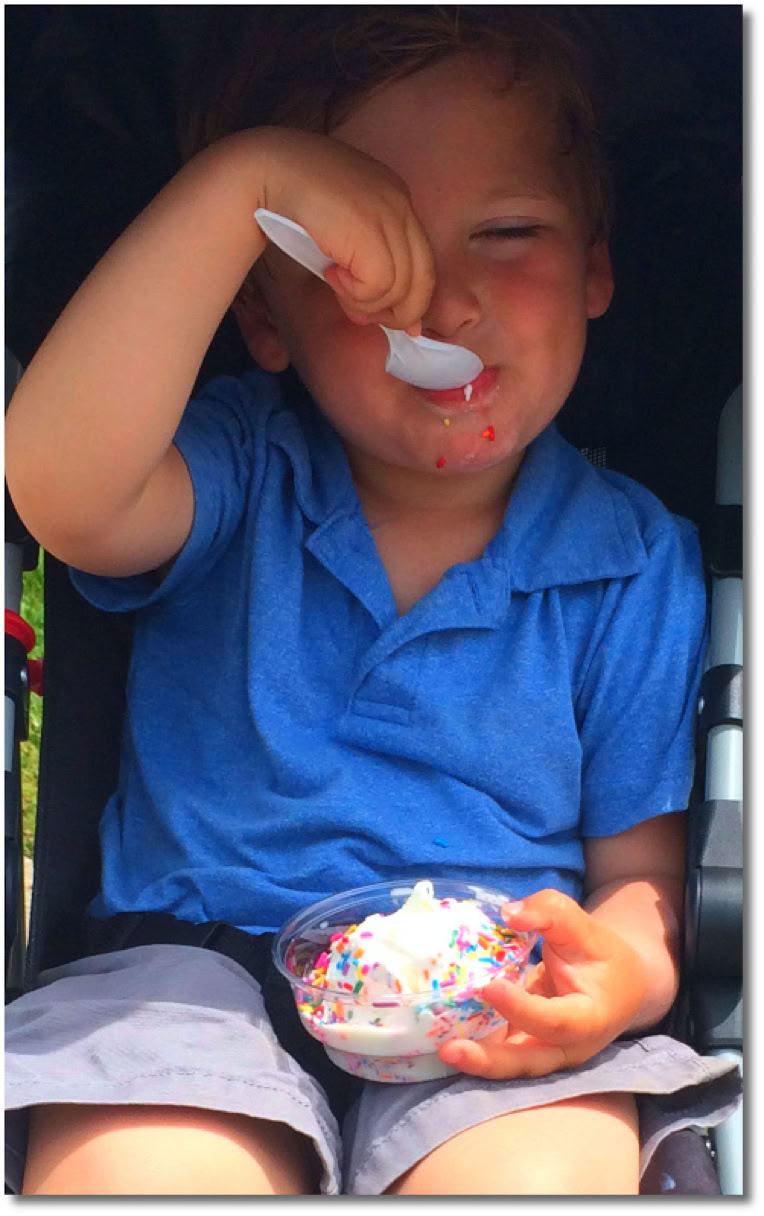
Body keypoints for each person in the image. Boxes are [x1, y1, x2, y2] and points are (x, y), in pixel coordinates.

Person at [4, 5, 740, 1197]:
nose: (442, 306)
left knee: (542, 1176)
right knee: (148, 1172)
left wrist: (626, 970)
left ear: (595, 266)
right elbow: (62, 493)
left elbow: (639, 875)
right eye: (363, 262)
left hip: (492, 984)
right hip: (190, 980)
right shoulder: (232, 473)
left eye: (506, 231)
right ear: (263, 315)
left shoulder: (625, 562)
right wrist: (244, 186)